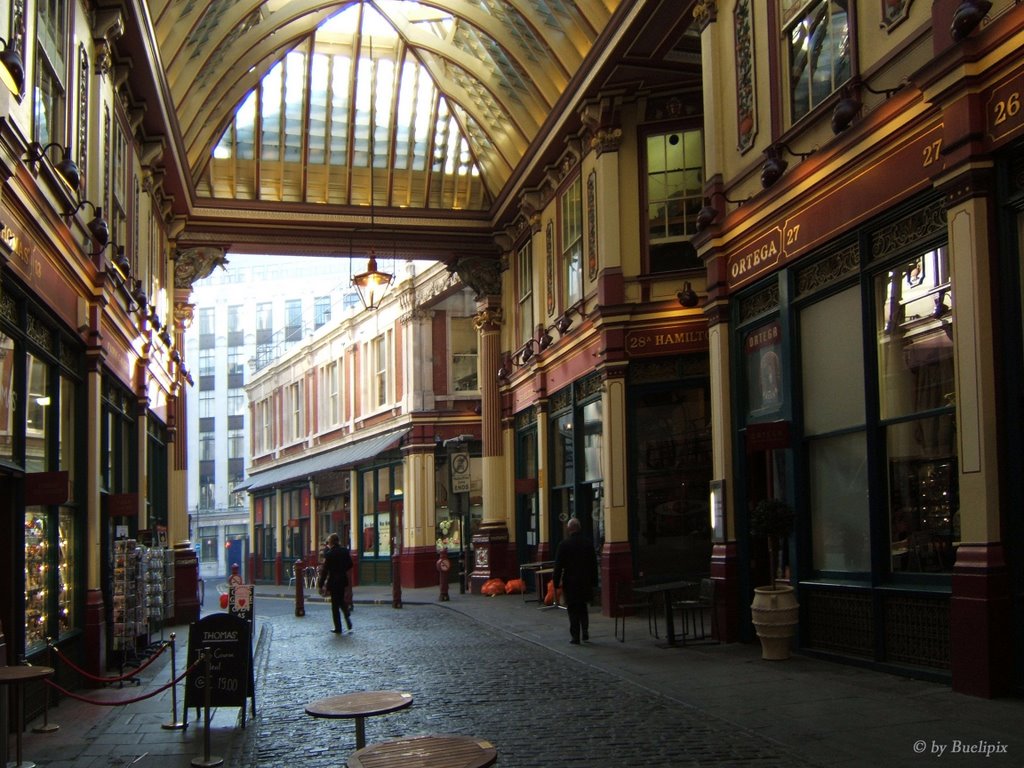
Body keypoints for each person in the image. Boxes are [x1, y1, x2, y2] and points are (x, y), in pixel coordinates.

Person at [552, 516, 598, 645]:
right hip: (585, 580)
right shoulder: (588, 543)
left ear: (569, 529)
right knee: (583, 606)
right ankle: (585, 630)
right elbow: (593, 564)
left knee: (572, 608)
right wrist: (594, 582)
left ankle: (575, 636)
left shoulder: (564, 545)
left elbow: (558, 565)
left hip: (571, 581)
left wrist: (555, 582)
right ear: (579, 528)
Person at [319, 532, 354, 634]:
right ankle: (346, 614)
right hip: (343, 580)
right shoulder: (344, 551)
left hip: (333, 581)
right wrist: (342, 569)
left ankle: (338, 627)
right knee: (341, 599)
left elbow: (325, 571)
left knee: (335, 605)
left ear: (331, 542)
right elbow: (350, 564)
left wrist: (321, 585)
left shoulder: (329, 554)